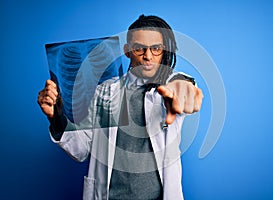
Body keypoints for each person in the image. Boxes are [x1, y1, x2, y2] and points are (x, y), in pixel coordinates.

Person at [38, 15, 203, 200]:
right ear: (127, 51)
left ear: (164, 51)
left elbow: (180, 83)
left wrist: (184, 85)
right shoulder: (105, 92)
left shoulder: (169, 88)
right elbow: (81, 150)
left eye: (156, 48)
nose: (148, 56)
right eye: (139, 48)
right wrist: (56, 117)